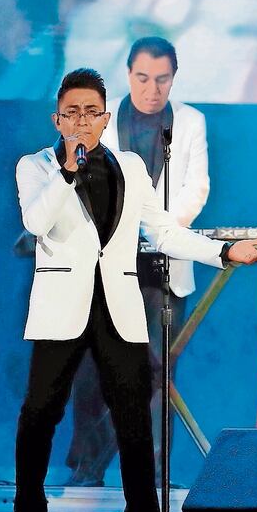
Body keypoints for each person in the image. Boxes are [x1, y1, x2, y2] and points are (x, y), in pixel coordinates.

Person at [13, 68, 257, 512]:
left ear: (105, 117)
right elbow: (36, 221)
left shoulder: (131, 167)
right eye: (72, 113)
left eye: (91, 112)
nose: (81, 121)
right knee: (41, 413)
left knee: (134, 416)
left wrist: (223, 252)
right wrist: (68, 170)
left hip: (119, 306)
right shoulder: (37, 166)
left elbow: (165, 232)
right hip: (61, 307)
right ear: (57, 119)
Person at [66, 36, 209, 486]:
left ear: (173, 79)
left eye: (162, 79)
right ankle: (87, 469)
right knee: (93, 369)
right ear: (128, 75)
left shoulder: (189, 122)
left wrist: (159, 229)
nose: (152, 89)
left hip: (163, 268)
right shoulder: (101, 121)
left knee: (153, 375)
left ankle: (149, 473)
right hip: (105, 263)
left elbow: (196, 188)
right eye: (143, 78)